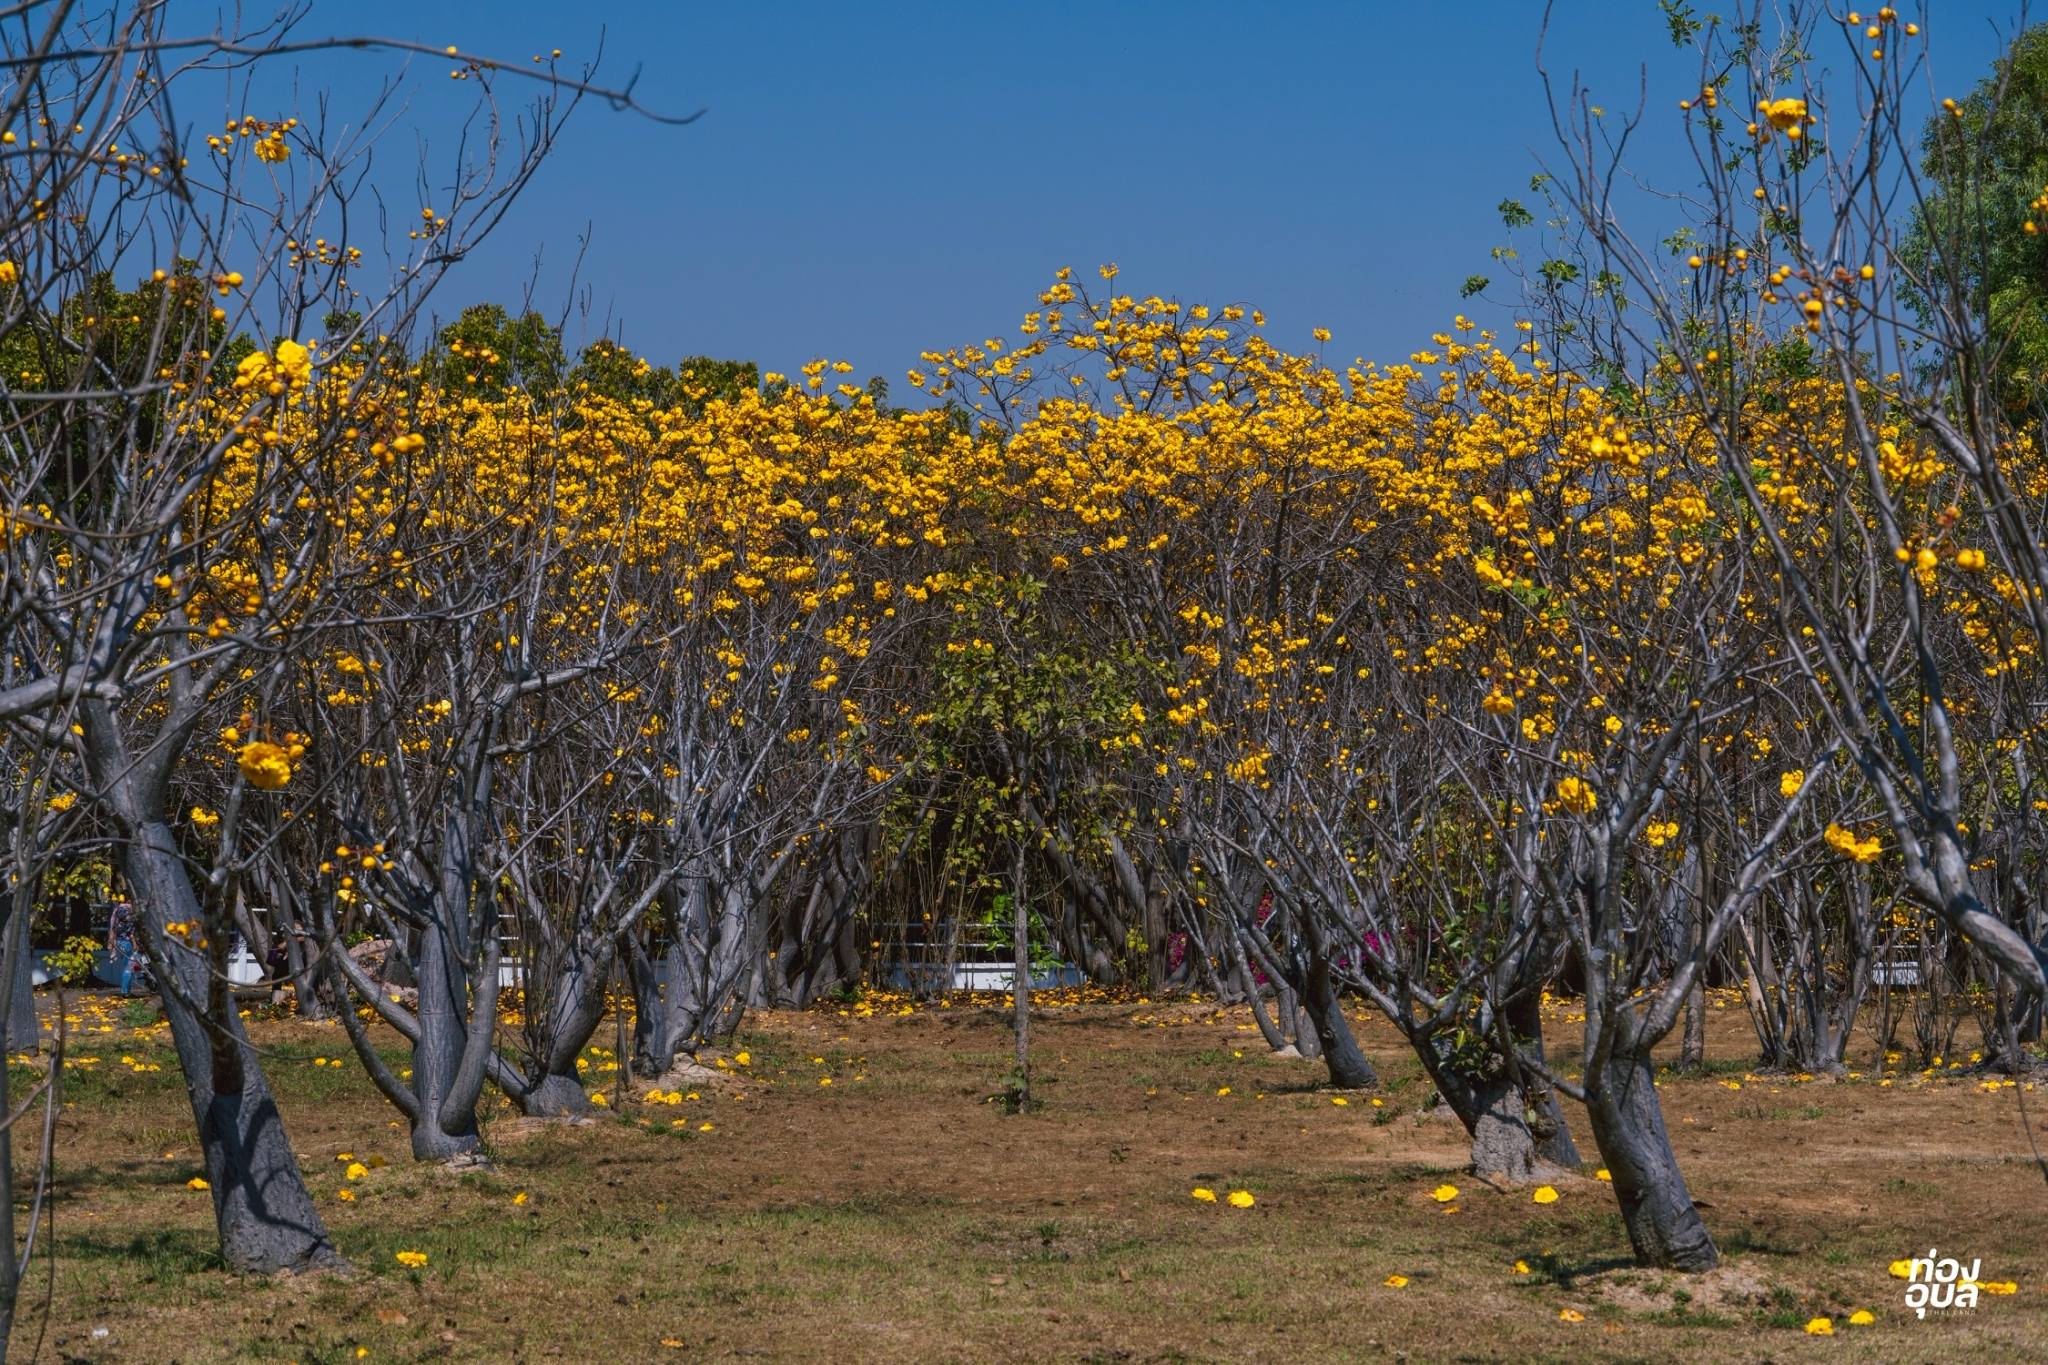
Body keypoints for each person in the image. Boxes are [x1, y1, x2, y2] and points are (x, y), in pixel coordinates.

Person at [106, 899, 141, 995]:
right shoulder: (130, 910)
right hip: (128, 942)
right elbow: (131, 932)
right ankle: (125, 992)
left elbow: (112, 927)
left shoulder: (117, 910)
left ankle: (126, 991)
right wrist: (134, 943)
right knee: (129, 968)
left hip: (119, 942)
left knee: (127, 967)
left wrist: (112, 943)